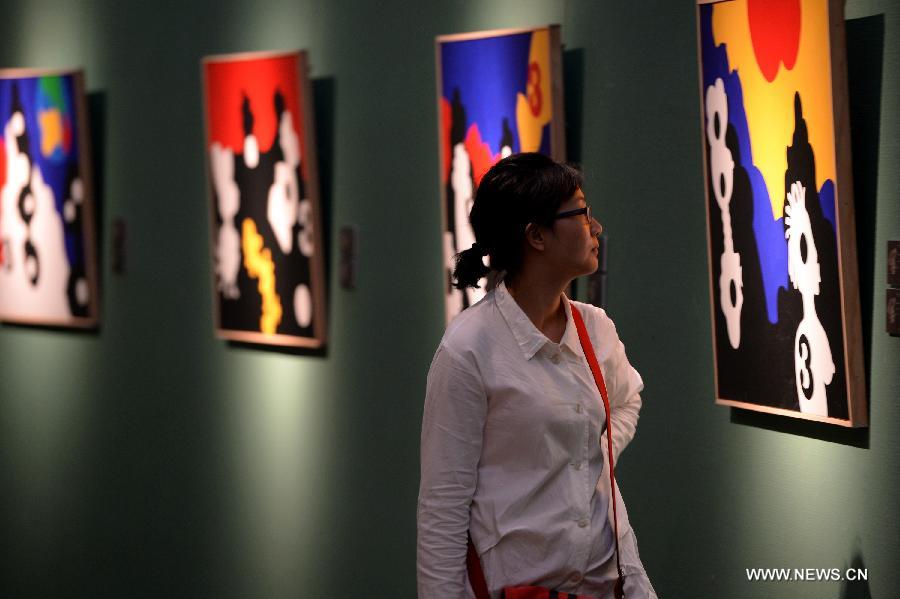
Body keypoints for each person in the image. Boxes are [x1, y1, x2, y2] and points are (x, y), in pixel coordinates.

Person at [417, 153, 657, 598]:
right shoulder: (469, 348)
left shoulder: (596, 328)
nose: (596, 227)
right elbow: (443, 506)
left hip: (609, 582)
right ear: (536, 236)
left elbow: (627, 399)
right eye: (582, 213)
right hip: (519, 587)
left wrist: (587, 457)